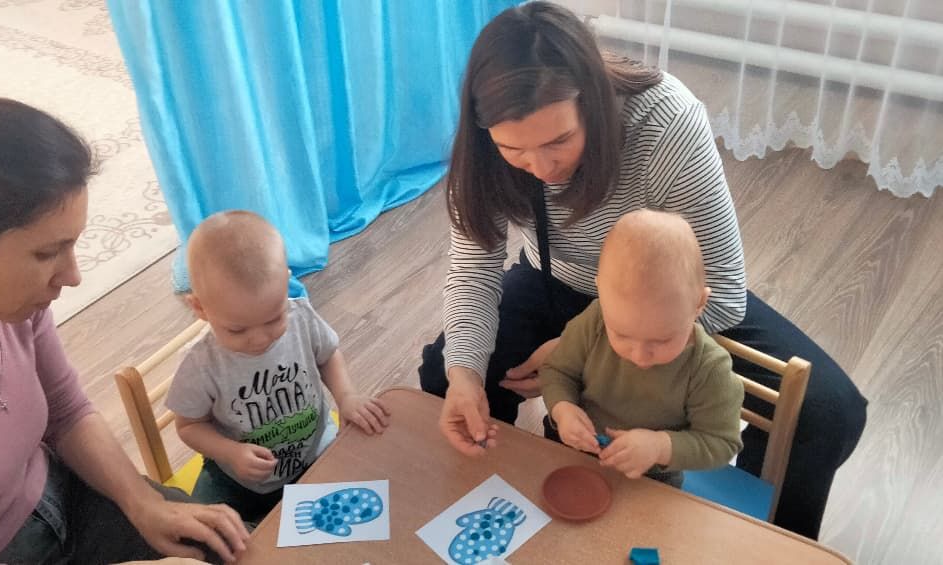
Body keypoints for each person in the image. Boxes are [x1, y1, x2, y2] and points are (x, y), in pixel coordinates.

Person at [417, 2, 867, 539]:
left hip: (662, 296)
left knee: (827, 414)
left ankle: (761, 538)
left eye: (559, 141)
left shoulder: (666, 122)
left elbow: (722, 290)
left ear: (594, 103)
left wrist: (590, 348)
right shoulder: (483, 151)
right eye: (513, 148)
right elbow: (473, 272)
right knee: (447, 373)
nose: (540, 168)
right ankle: (514, 511)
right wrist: (465, 375)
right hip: (558, 279)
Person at [0, 66, 247, 564]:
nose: (72, 276)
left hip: (68, 496)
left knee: (241, 547)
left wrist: (145, 504)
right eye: (47, 253)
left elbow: (66, 410)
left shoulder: (6, 301)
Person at [166, 211, 390, 524]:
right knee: (205, 527)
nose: (260, 339)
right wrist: (230, 452)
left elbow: (328, 355)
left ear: (286, 284)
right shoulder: (201, 364)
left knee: (372, 487)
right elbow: (189, 426)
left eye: (274, 318)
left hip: (315, 450)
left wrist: (346, 396)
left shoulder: (302, 317)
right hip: (237, 477)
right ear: (200, 307)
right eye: (237, 329)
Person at [540, 210, 744, 487]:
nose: (639, 356)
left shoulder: (709, 368)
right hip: (571, 448)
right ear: (600, 292)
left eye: (662, 340)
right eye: (621, 334)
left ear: (699, 304)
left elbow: (721, 442)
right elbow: (557, 371)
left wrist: (660, 447)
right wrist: (562, 408)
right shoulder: (595, 320)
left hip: (651, 476)